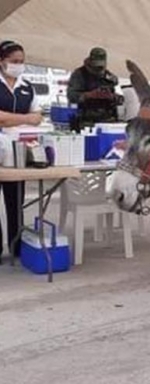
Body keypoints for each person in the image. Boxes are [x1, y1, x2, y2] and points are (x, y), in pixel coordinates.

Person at [0, 40, 41, 261]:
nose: (18, 65)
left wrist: (9, 120)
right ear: (2, 61)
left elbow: (38, 117)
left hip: (18, 150)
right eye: (13, 61)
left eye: (21, 62)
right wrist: (25, 119)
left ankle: (16, 247)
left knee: (16, 202)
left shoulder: (27, 86)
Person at [67, 47, 122, 129]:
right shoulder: (79, 75)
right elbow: (71, 96)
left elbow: (120, 99)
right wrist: (90, 95)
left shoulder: (109, 76)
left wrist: (111, 96)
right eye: (96, 66)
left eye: (100, 66)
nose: (98, 69)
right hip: (87, 122)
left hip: (108, 122)